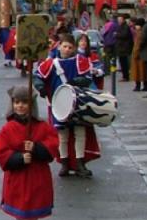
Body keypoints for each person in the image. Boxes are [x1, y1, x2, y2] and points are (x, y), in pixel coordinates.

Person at [0, 85, 59, 220]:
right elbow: (1, 151)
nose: (20, 106)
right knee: (20, 210)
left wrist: (38, 148)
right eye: (17, 102)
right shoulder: (7, 129)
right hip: (18, 177)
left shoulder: (42, 127)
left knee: (32, 212)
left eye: (24, 102)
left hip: (36, 176)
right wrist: (19, 158)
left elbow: (52, 145)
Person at [35, 33, 101, 178]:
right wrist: (41, 87)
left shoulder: (81, 61)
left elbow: (87, 78)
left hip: (78, 103)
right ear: (59, 46)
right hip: (58, 103)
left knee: (80, 132)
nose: (67, 49)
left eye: (70, 47)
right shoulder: (51, 63)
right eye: (64, 46)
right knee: (62, 135)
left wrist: (76, 81)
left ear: (74, 48)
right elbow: (38, 76)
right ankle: (64, 164)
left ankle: (80, 163)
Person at [115, 14, 133, 82]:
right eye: (118, 20)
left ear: (123, 20)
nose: (118, 21)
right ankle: (125, 76)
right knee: (122, 62)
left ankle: (126, 76)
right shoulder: (121, 26)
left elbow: (124, 35)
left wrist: (116, 34)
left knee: (124, 63)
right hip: (121, 48)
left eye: (120, 20)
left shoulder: (125, 26)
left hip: (124, 48)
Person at [130, 18, 146, 92]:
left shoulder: (139, 33)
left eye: (137, 25)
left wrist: (135, 54)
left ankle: (138, 85)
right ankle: (145, 85)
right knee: (143, 72)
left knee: (138, 72)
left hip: (138, 55)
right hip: (141, 54)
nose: (135, 26)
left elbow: (137, 45)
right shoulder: (141, 32)